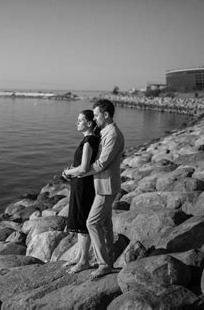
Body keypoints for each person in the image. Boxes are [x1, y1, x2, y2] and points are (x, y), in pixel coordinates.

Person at [81, 99, 125, 279]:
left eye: (97, 115)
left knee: (91, 223)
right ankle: (110, 260)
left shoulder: (113, 134)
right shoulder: (105, 131)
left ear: (106, 115)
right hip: (102, 185)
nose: (95, 118)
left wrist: (80, 173)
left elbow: (101, 164)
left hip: (107, 187)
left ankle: (103, 264)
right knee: (106, 226)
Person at [62, 110, 99, 274]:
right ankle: (79, 257)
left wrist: (67, 173)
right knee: (79, 221)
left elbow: (84, 168)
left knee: (83, 222)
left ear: (89, 123)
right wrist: (73, 171)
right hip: (80, 184)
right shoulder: (88, 140)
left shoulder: (89, 141)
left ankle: (84, 261)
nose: (76, 123)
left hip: (84, 186)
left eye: (80, 120)